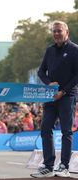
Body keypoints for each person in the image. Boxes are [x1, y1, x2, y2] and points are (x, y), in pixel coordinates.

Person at [30, 21, 78, 178]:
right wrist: (49, 84)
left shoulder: (74, 50)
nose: (56, 34)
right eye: (54, 31)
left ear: (67, 32)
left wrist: (63, 91)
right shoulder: (50, 50)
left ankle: (64, 165)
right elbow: (41, 71)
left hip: (67, 95)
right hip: (50, 96)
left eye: (59, 31)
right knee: (45, 129)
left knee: (66, 131)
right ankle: (48, 165)